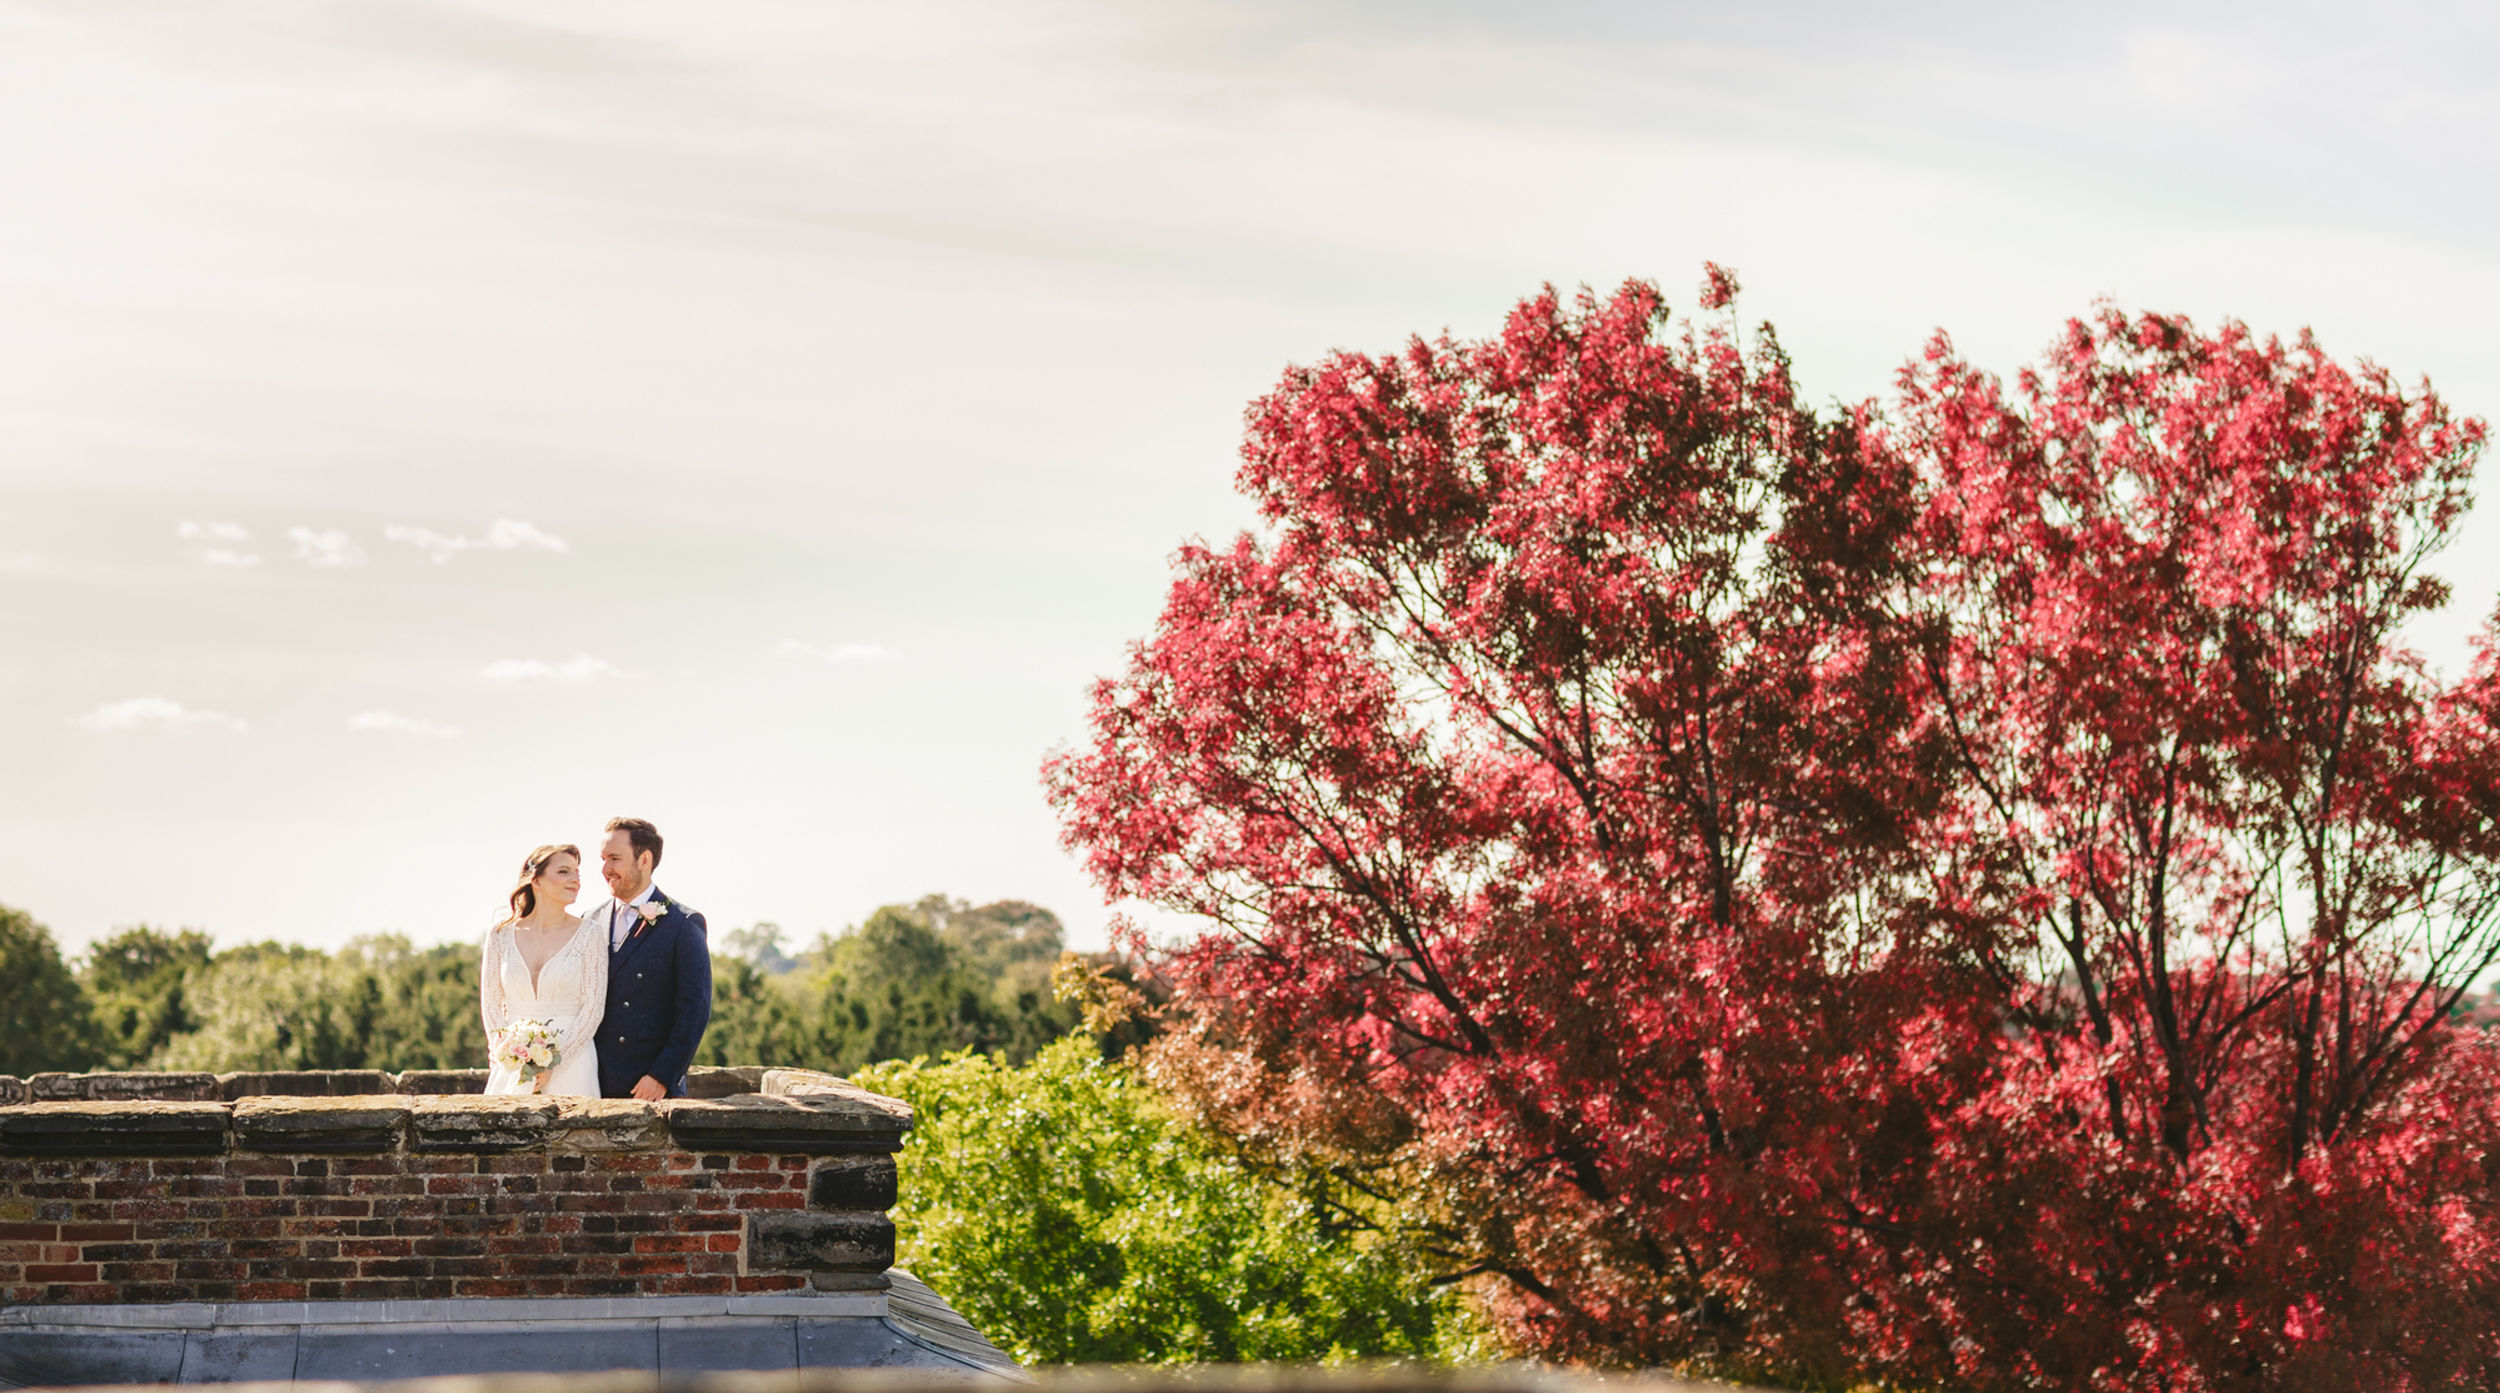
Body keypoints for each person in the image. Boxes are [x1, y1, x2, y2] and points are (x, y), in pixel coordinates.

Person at [585, 816, 712, 1100]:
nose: (605, 869)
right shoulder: (589, 920)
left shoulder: (684, 923)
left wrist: (662, 1076)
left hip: (649, 1088)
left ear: (644, 859)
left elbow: (694, 1010)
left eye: (614, 859)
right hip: (590, 1082)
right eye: (603, 859)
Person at [479, 843, 607, 1096]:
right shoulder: (500, 934)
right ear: (536, 880)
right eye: (564, 872)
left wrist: (553, 1065)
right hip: (514, 1061)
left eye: (577, 873)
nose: (575, 880)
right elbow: (490, 1003)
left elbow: (592, 1010)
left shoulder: (590, 934)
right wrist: (505, 1052)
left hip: (573, 1061)